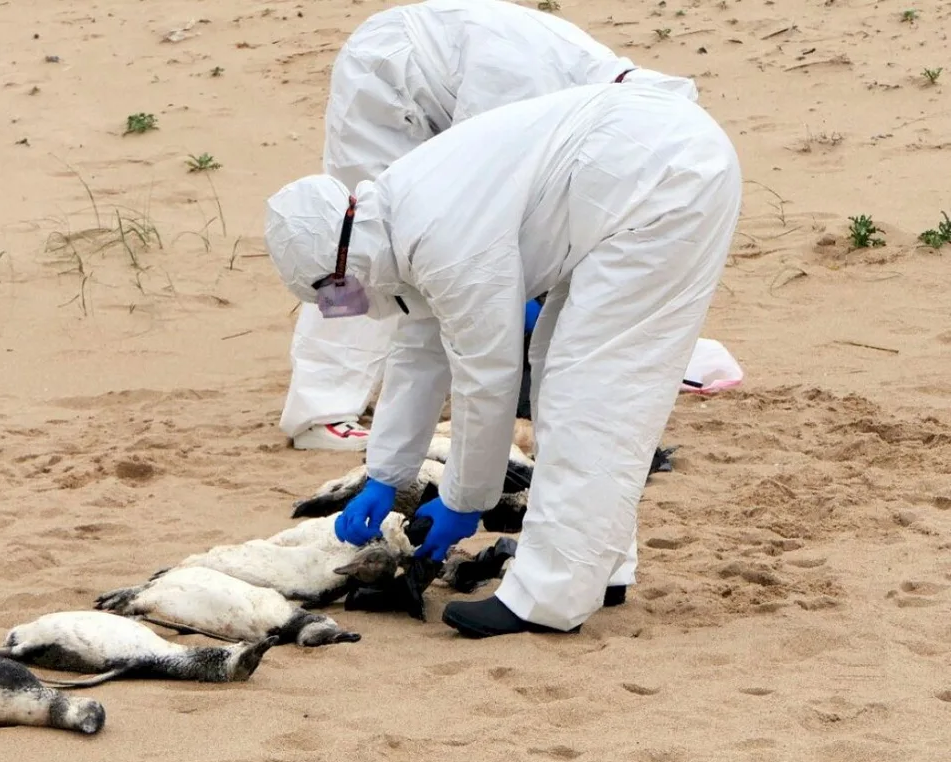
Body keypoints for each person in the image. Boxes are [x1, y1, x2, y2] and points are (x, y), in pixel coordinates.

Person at [263, 81, 742, 638]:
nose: (343, 308)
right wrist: (385, 476)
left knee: (589, 392)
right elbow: (420, 351)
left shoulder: (439, 235)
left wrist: (465, 501)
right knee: (563, 375)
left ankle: (549, 598)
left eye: (334, 294)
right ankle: (601, 567)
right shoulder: (394, 223)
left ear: (342, 256)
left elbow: (485, 378)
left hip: (661, 179)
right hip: (638, 172)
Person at [282, 0, 701, 452]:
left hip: (434, 78)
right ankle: (319, 411)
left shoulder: (592, 96)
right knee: (357, 245)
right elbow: (484, 204)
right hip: (385, 76)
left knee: (424, 262)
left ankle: (398, 397)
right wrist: (509, 299)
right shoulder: (538, 82)